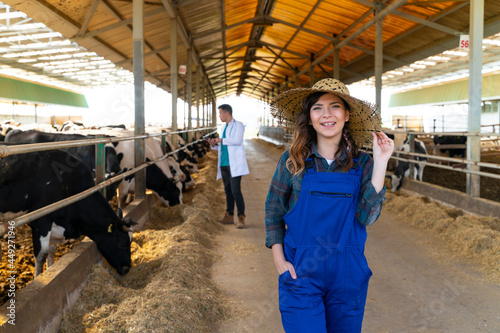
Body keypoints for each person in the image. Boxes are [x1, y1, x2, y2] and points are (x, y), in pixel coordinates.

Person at [265, 78, 394, 332]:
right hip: (300, 272)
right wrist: (280, 261)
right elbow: (274, 210)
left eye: (335, 106)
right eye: (317, 108)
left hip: (347, 274)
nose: (326, 114)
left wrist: (381, 163)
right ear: (310, 117)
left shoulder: (364, 163)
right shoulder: (293, 161)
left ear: (347, 115)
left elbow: (367, 217)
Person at [208, 104, 249, 229]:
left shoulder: (239, 125)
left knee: (236, 191)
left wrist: (220, 140)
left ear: (226, 113)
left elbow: (236, 141)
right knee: (227, 191)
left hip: (235, 164)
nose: (219, 116)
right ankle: (229, 214)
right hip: (224, 163)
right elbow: (223, 146)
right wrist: (213, 144)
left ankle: (241, 216)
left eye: (220, 113)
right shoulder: (223, 127)